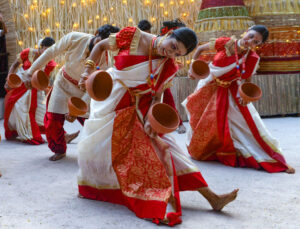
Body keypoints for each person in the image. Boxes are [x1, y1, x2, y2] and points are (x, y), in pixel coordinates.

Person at [77, 26, 238, 226]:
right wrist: (87, 71)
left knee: (167, 149)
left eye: (176, 53)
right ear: (169, 35)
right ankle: (153, 197)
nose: (169, 53)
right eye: (172, 47)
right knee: (110, 152)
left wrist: (150, 117)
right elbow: (100, 46)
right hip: (114, 101)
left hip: (142, 108)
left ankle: (212, 197)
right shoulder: (133, 36)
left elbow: (157, 94)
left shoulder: (169, 66)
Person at [182, 25, 295, 174]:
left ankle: (268, 157)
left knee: (245, 124)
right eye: (251, 36)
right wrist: (192, 67)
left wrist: (245, 96)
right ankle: (206, 149)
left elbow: (246, 80)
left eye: (256, 42)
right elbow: (200, 50)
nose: (251, 41)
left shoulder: (253, 58)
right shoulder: (226, 42)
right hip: (207, 85)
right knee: (200, 119)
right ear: (247, 31)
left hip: (230, 89)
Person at [25, 24, 120, 161]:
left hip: (84, 92)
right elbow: (50, 53)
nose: (100, 49)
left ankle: (96, 153)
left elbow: (94, 87)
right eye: (100, 43)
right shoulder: (74, 38)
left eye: (105, 47)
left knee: (92, 124)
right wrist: (30, 71)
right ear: (96, 32)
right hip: (63, 83)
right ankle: (59, 149)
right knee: (52, 120)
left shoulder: (106, 63)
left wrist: (77, 109)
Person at [4, 37, 57, 144]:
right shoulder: (28, 53)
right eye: (46, 50)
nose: (48, 53)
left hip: (35, 89)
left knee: (43, 114)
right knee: (20, 110)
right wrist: (8, 79)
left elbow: (44, 80)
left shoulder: (49, 62)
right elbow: (14, 65)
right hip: (19, 85)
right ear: (41, 47)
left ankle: (61, 135)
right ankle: (23, 132)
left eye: (51, 51)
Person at [159, 18, 187, 134]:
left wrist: (174, 66)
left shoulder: (174, 47)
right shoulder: (162, 42)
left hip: (163, 77)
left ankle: (178, 123)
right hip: (152, 76)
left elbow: (171, 58)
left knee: (168, 100)